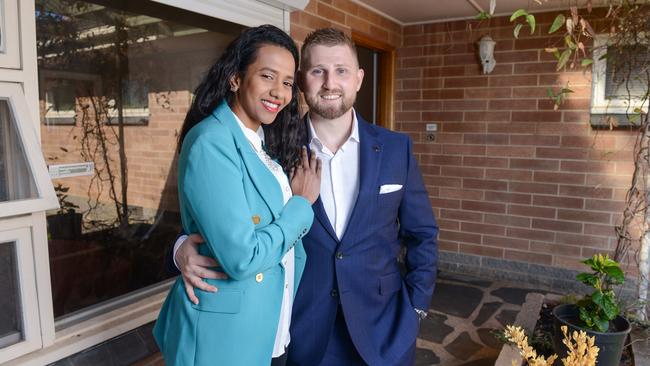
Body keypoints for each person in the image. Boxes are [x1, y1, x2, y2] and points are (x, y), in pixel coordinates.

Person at [174, 28, 438, 366]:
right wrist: (181, 245)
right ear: (301, 81)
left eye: (341, 70)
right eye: (318, 71)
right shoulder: (269, 146)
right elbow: (212, 207)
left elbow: (423, 235)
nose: (330, 83)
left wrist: (416, 308)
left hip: (384, 330)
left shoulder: (395, 148)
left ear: (358, 79)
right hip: (305, 333)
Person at [153, 24, 321, 366]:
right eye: (267, 76)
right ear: (235, 78)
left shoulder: (262, 139)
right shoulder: (211, 141)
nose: (279, 92)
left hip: (268, 319)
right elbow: (241, 257)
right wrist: (301, 207)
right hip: (226, 333)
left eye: (288, 83)